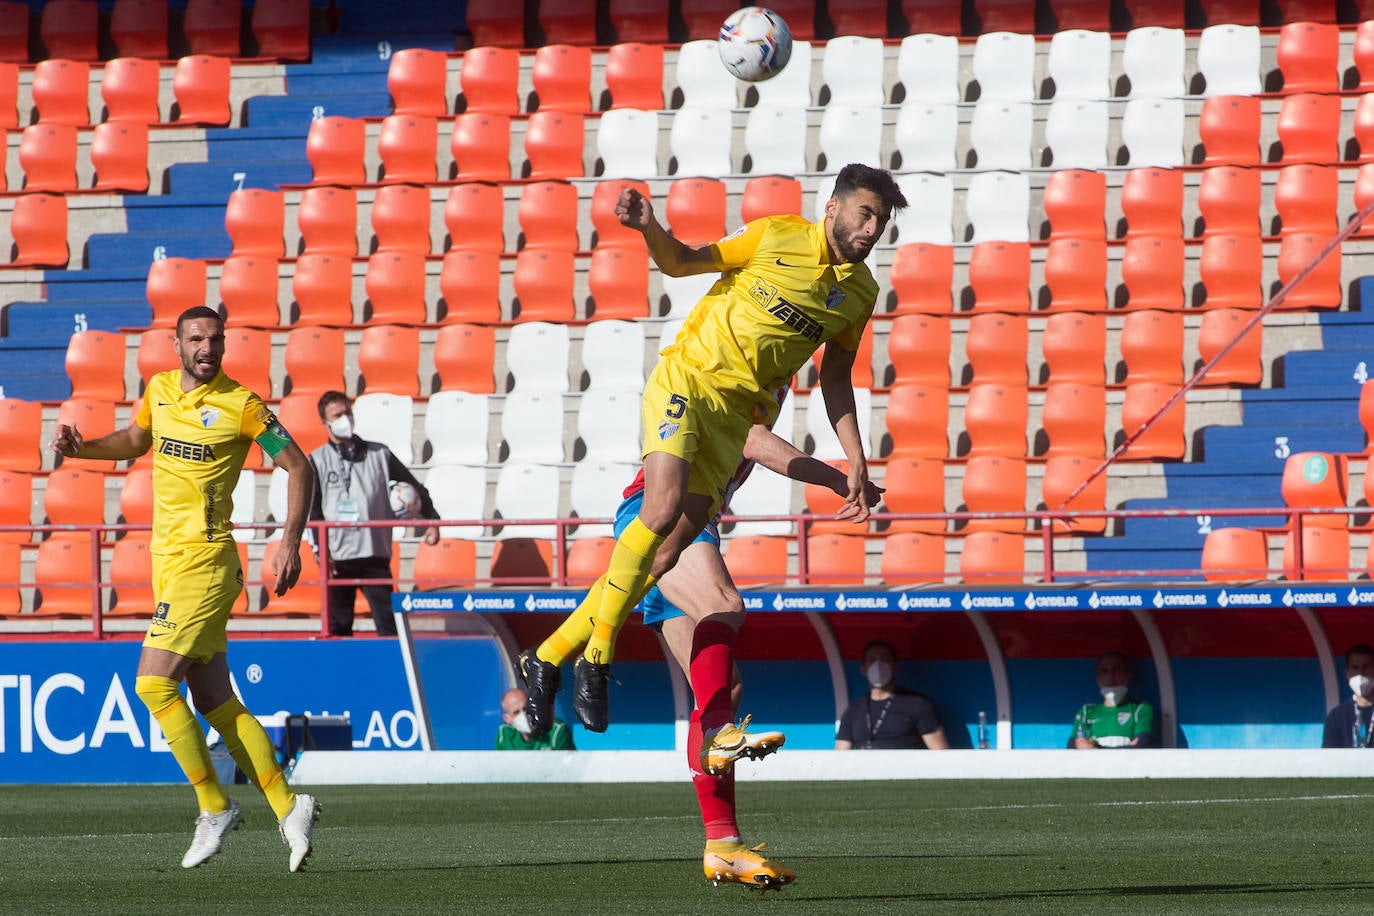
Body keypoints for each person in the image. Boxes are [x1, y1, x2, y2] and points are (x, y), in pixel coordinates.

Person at [519, 162, 907, 742]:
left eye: (882, 220)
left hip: (732, 420)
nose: (872, 228)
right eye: (865, 213)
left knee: (669, 559)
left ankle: (548, 657)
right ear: (833, 207)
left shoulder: (859, 293)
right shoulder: (776, 234)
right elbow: (680, 263)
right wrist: (651, 228)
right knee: (663, 510)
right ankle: (595, 658)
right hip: (688, 380)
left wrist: (855, 457)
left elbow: (837, 378)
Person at [543, 413, 881, 888]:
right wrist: (841, 479)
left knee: (725, 687)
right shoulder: (735, 376)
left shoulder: (755, 371)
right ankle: (572, 660)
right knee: (723, 605)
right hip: (664, 519)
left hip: (681, 525)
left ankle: (723, 846)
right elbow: (754, 440)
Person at [50, 306, 319, 872]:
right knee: (215, 699)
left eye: (216, 339)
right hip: (167, 565)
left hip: (209, 561)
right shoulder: (160, 391)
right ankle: (289, 805)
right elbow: (134, 439)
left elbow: (299, 466)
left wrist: (290, 541)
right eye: (197, 339)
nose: (208, 348)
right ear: (177, 345)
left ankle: (214, 804)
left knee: (151, 683)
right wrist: (83, 450)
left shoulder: (242, 406)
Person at [308, 390, 439, 637]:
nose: (344, 419)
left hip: (374, 552)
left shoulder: (380, 453)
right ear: (325, 423)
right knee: (339, 624)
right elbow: (313, 511)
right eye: (337, 415)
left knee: (388, 625)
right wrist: (320, 552)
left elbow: (416, 488)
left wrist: (431, 520)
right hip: (338, 556)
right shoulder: (317, 459)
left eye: (348, 413)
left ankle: (393, 672)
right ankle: (341, 672)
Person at [835, 639, 949, 750]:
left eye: (884, 659)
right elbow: (840, 756)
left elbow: (940, 753)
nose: (878, 664)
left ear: (895, 667)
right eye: (872, 659)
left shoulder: (918, 704)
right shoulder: (853, 710)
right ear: (864, 669)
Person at [1068, 651, 1157, 749]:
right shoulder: (1085, 713)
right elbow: (1073, 749)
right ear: (1098, 678)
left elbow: (1142, 746)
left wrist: (1095, 749)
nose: (1111, 676)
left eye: (1117, 670)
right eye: (1105, 671)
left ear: (1128, 675)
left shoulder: (1141, 709)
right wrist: (1128, 748)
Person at [1322, 643, 1374, 748]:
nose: (1361, 673)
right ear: (1347, 674)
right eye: (1355, 667)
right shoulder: (1337, 716)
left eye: (1366, 667)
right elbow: (1328, 758)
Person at [494, 688, 575, 750]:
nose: (523, 715)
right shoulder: (504, 734)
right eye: (516, 712)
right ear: (507, 719)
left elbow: (566, 768)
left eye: (525, 708)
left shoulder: (556, 730)